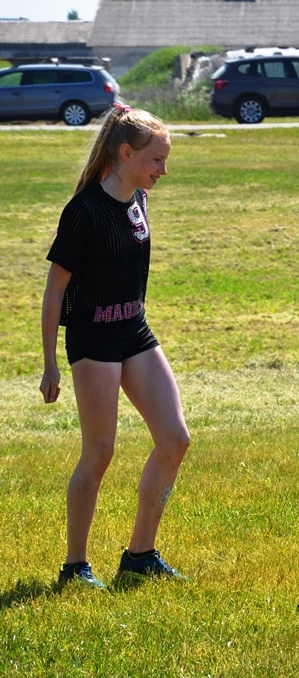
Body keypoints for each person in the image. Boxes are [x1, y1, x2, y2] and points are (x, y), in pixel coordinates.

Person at [39, 103, 190, 588]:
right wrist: (50, 366)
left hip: (134, 332)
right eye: (156, 161)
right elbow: (55, 288)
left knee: (175, 439)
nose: (163, 171)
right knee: (100, 452)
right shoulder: (83, 211)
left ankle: (140, 555)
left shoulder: (139, 201)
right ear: (126, 153)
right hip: (93, 338)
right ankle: (75, 566)